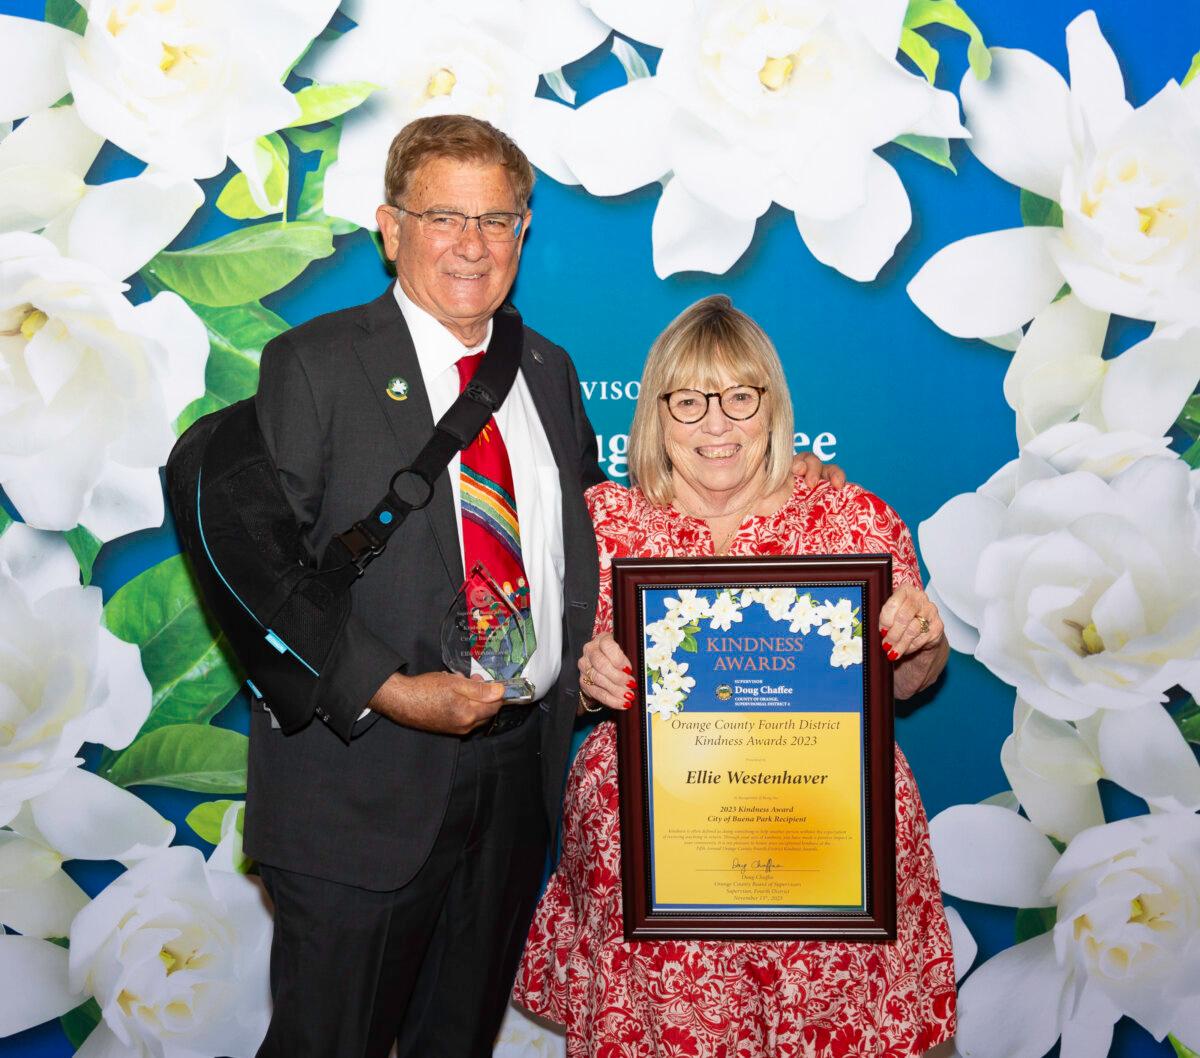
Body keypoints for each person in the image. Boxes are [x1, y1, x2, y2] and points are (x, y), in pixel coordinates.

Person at [246, 116, 843, 1058]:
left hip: (517, 783)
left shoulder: (544, 369)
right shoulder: (315, 364)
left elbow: (604, 531)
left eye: (498, 220)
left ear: (524, 233)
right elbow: (256, 572)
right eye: (444, 216)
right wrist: (392, 690)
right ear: (389, 227)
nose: (472, 245)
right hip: (363, 790)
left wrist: (776, 477)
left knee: (457, 1039)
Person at [513, 295, 955, 1058]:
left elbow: (908, 681)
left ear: (771, 409)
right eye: (689, 402)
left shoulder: (853, 521)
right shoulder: (598, 525)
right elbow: (540, 676)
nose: (716, 426)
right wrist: (588, 678)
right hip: (654, 872)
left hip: (827, 859)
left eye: (739, 399)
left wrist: (920, 639)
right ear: (656, 415)